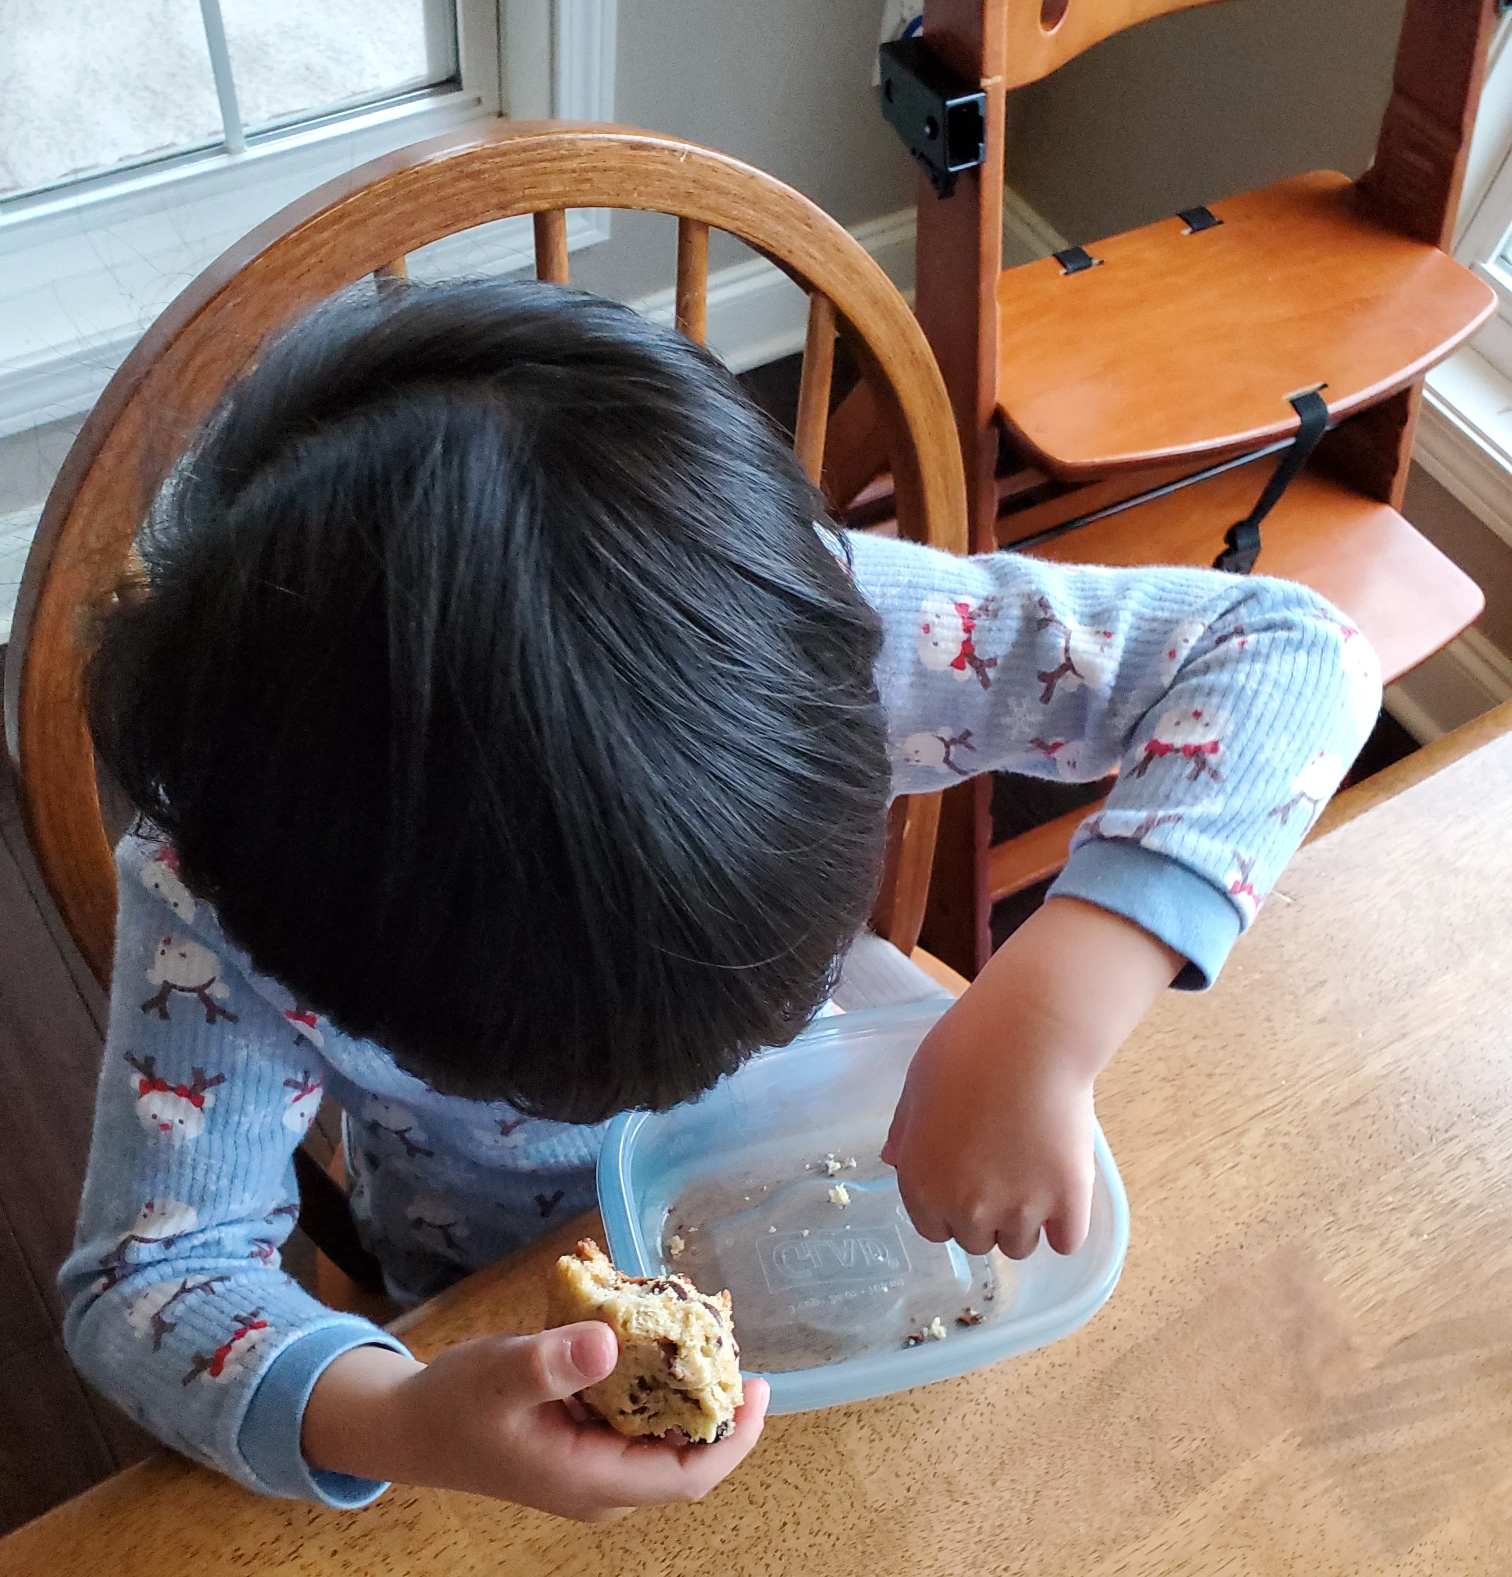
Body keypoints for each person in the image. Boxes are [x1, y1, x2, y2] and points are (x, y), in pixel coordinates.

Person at [62, 280, 1380, 1520]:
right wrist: (404, 1420)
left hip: (835, 1149)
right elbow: (145, 1282)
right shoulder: (219, 906)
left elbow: (1286, 652)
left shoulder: (801, 631)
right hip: (501, 1273)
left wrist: (1047, 1016)